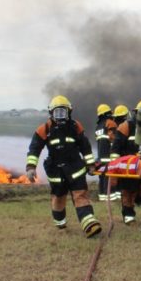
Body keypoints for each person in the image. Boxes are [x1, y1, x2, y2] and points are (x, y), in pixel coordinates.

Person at [25, 95, 102, 237]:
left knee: (80, 195)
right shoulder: (44, 129)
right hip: (56, 171)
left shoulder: (75, 127)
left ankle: (89, 223)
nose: (60, 116)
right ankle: (60, 221)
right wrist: (30, 167)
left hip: (75, 169)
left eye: (63, 112)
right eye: (57, 112)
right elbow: (34, 149)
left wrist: (90, 164)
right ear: (51, 113)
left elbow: (85, 147)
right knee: (58, 197)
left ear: (69, 112)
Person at [110, 99, 141, 224]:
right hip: (128, 167)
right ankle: (128, 215)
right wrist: (115, 167)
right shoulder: (126, 126)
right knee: (127, 190)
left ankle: (139, 200)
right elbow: (116, 148)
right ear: (136, 113)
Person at [95, 103, 117, 202]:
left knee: (102, 177)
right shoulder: (110, 123)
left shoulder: (98, 127)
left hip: (101, 157)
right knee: (109, 178)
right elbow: (113, 138)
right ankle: (110, 198)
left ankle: (102, 197)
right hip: (109, 156)